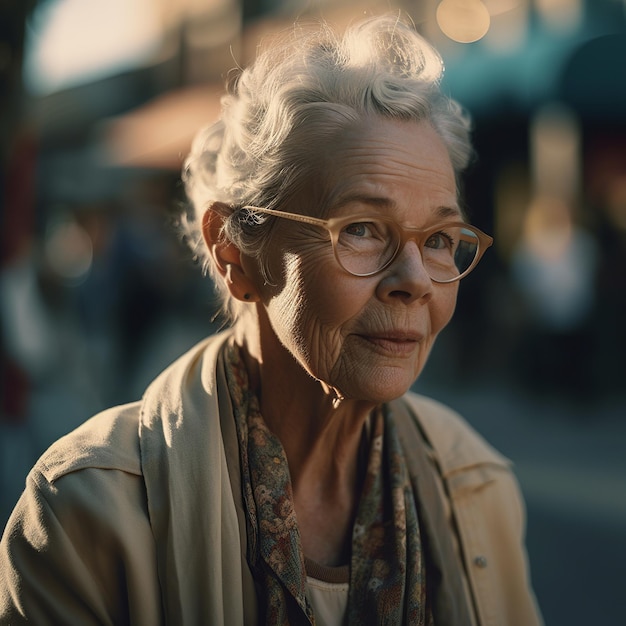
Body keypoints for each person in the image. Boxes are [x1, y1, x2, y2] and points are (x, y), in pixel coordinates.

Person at [0, 14, 542, 625]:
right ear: (235, 253)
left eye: (440, 238)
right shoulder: (86, 515)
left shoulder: (477, 487)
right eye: (362, 229)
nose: (415, 281)